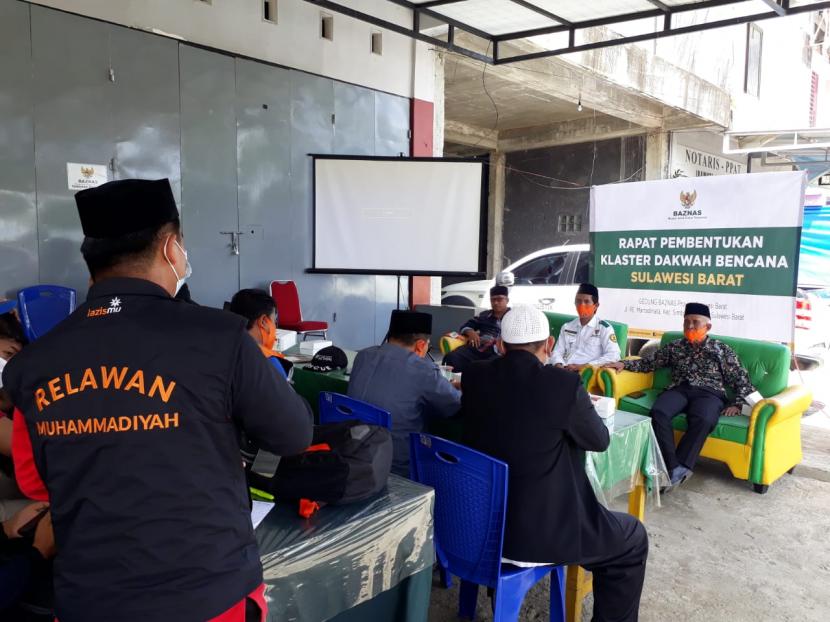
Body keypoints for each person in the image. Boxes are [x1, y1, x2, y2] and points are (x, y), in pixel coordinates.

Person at [2, 178, 313, 622]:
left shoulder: (30, 368)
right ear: (170, 248)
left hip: (88, 601)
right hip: (209, 599)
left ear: (93, 262)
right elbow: (294, 434)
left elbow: (35, 484)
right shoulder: (221, 337)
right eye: (182, 245)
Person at [462, 305, 648, 622]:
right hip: (538, 535)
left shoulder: (475, 376)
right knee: (633, 538)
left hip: (477, 525)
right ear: (549, 345)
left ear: (501, 345)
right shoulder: (562, 385)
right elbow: (599, 440)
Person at [603, 302, 755, 488]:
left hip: (709, 394)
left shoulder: (721, 349)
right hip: (680, 389)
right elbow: (650, 363)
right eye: (686, 322)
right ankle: (673, 467)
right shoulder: (675, 347)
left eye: (695, 322)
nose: (690, 326)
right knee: (659, 412)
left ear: (708, 327)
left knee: (704, 418)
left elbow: (741, 379)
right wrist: (624, 364)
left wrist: (738, 404)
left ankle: (680, 467)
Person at [348, 310, 461, 476]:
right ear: (421, 346)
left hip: (354, 452)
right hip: (398, 466)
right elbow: (454, 407)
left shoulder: (363, 356)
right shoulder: (424, 370)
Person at [549, 283, 621, 371]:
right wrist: (559, 365)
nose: (581, 305)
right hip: (562, 370)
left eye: (586, 302)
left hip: (585, 373)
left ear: (596, 306)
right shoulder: (567, 327)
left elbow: (613, 355)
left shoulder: (604, 328)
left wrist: (584, 366)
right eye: (578, 301)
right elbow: (557, 351)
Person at [442, 285, 510, 374]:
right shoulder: (484, 315)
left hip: (499, 353)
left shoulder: (513, 316)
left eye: (499, 299)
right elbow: (465, 326)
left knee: (490, 367)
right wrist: (471, 332)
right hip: (478, 349)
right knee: (451, 358)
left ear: (507, 300)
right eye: (493, 299)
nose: (496, 302)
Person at [229, 288, 290, 379]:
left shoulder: (220, 349)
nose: (274, 327)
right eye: (274, 321)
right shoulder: (269, 362)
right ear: (263, 321)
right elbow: (286, 393)